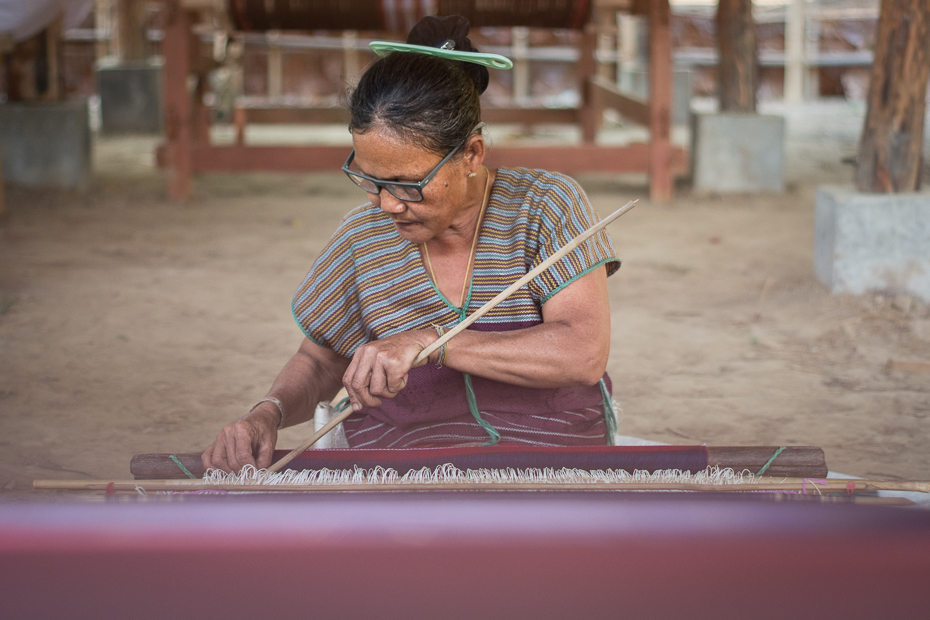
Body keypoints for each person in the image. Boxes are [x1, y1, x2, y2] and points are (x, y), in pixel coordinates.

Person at [202, 15, 620, 473]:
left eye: (406, 184)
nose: (386, 205)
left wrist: (432, 343)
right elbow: (320, 360)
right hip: (406, 463)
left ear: (472, 155)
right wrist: (268, 414)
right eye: (368, 179)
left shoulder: (546, 206)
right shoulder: (363, 236)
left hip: (547, 456)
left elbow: (582, 353)